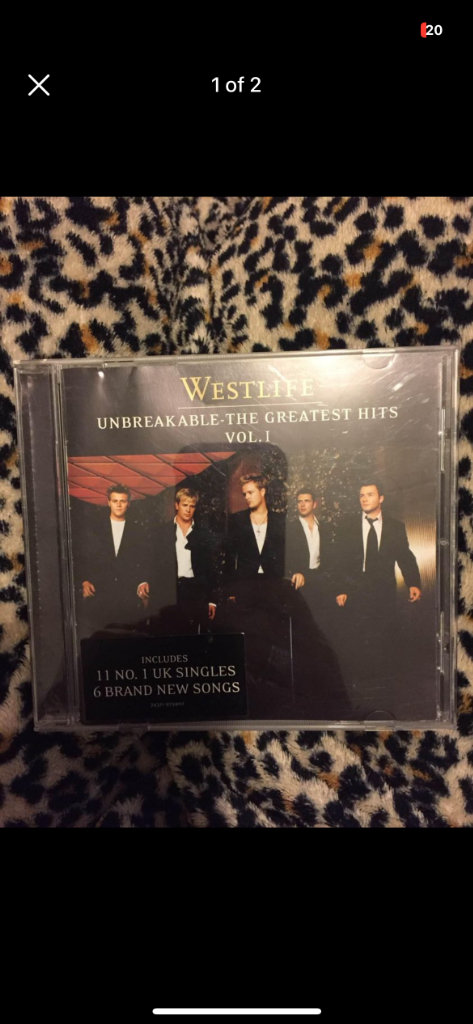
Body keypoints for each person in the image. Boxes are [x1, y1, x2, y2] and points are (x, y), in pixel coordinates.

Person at [222, 475, 348, 717]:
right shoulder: (237, 521)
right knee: (250, 643)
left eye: (250, 492)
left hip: (274, 589)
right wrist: (231, 591)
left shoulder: (282, 521)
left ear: (263, 491)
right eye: (244, 493)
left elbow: (294, 551)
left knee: (284, 639)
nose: (246, 497)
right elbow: (229, 560)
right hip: (246, 590)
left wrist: (298, 570)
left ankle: (288, 698)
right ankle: (253, 701)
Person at [334, 479, 422, 712]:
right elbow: (339, 560)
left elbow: (406, 557)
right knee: (357, 640)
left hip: (383, 593)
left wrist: (414, 583)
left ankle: (382, 694)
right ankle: (358, 693)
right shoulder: (347, 526)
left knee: (383, 640)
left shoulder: (395, 527)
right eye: (361, 495)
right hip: (354, 592)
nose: (364, 499)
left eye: (370, 494)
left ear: (381, 498)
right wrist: (340, 589)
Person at [138, 487, 217, 634]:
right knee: (166, 633)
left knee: (190, 635)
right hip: (168, 590)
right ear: (176, 505)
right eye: (184, 505)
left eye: (192, 506)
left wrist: (212, 600)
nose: (188, 510)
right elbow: (151, 559)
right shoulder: (162, 531)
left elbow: (210, 569)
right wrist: (144, 580)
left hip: (193, 591)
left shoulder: (202, 534)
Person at [80, 483, 146, 632]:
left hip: (127, 594)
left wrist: (143, 582)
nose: (119, 505)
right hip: (99, 592)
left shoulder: (138, 530)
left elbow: (144, 559)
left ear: (128, 504)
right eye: (115, 501)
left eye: (122, 501)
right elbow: (84, 557)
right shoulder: (95, 528)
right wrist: (84, 580)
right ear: (108, 502)